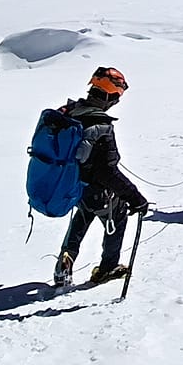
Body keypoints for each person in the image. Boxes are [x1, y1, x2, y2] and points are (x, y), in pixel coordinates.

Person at [53, 66, 148, 287]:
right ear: (110, 96)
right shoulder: (100, 126)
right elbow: (107, 172)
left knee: (83, 215)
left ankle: (66, 258)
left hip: (75, 185)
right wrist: (135, 197)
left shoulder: (70, 113)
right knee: (117, 216)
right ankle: (108, 268)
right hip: (99, 190)